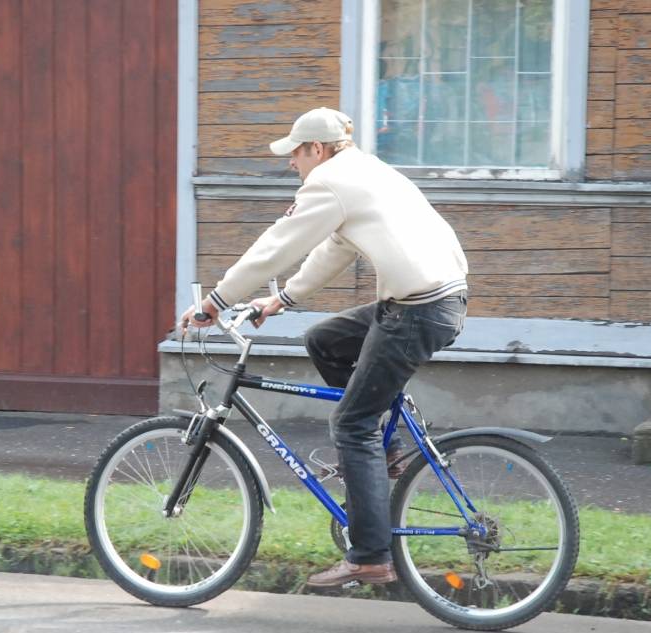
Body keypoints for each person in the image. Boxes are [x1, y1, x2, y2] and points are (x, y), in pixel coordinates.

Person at [179, 107, 468, 588]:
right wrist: (282, 299)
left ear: (317, 148)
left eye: (295, 153)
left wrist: (216, 301)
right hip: (438, 300)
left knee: (351, 424)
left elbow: (276, 245)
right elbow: (335, 248)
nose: (291, 164)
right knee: (325, 340)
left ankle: (371, 556)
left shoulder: (330, 180)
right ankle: (389, 452)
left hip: (416, 310)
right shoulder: (367, 172)